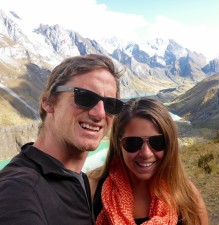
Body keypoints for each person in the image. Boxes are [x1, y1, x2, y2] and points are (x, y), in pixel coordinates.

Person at [0, 54, 125, 225]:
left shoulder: (79, 180)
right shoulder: (19, 190)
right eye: (85, 98)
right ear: (49, 102)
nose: (100, 114)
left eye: (111, 105)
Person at [89, 97, 209, 225]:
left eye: (157, 142)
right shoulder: (92, 189)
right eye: (133, 143)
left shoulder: (188, 196)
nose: (146, 153)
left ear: (169, 144)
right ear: (118, 144)